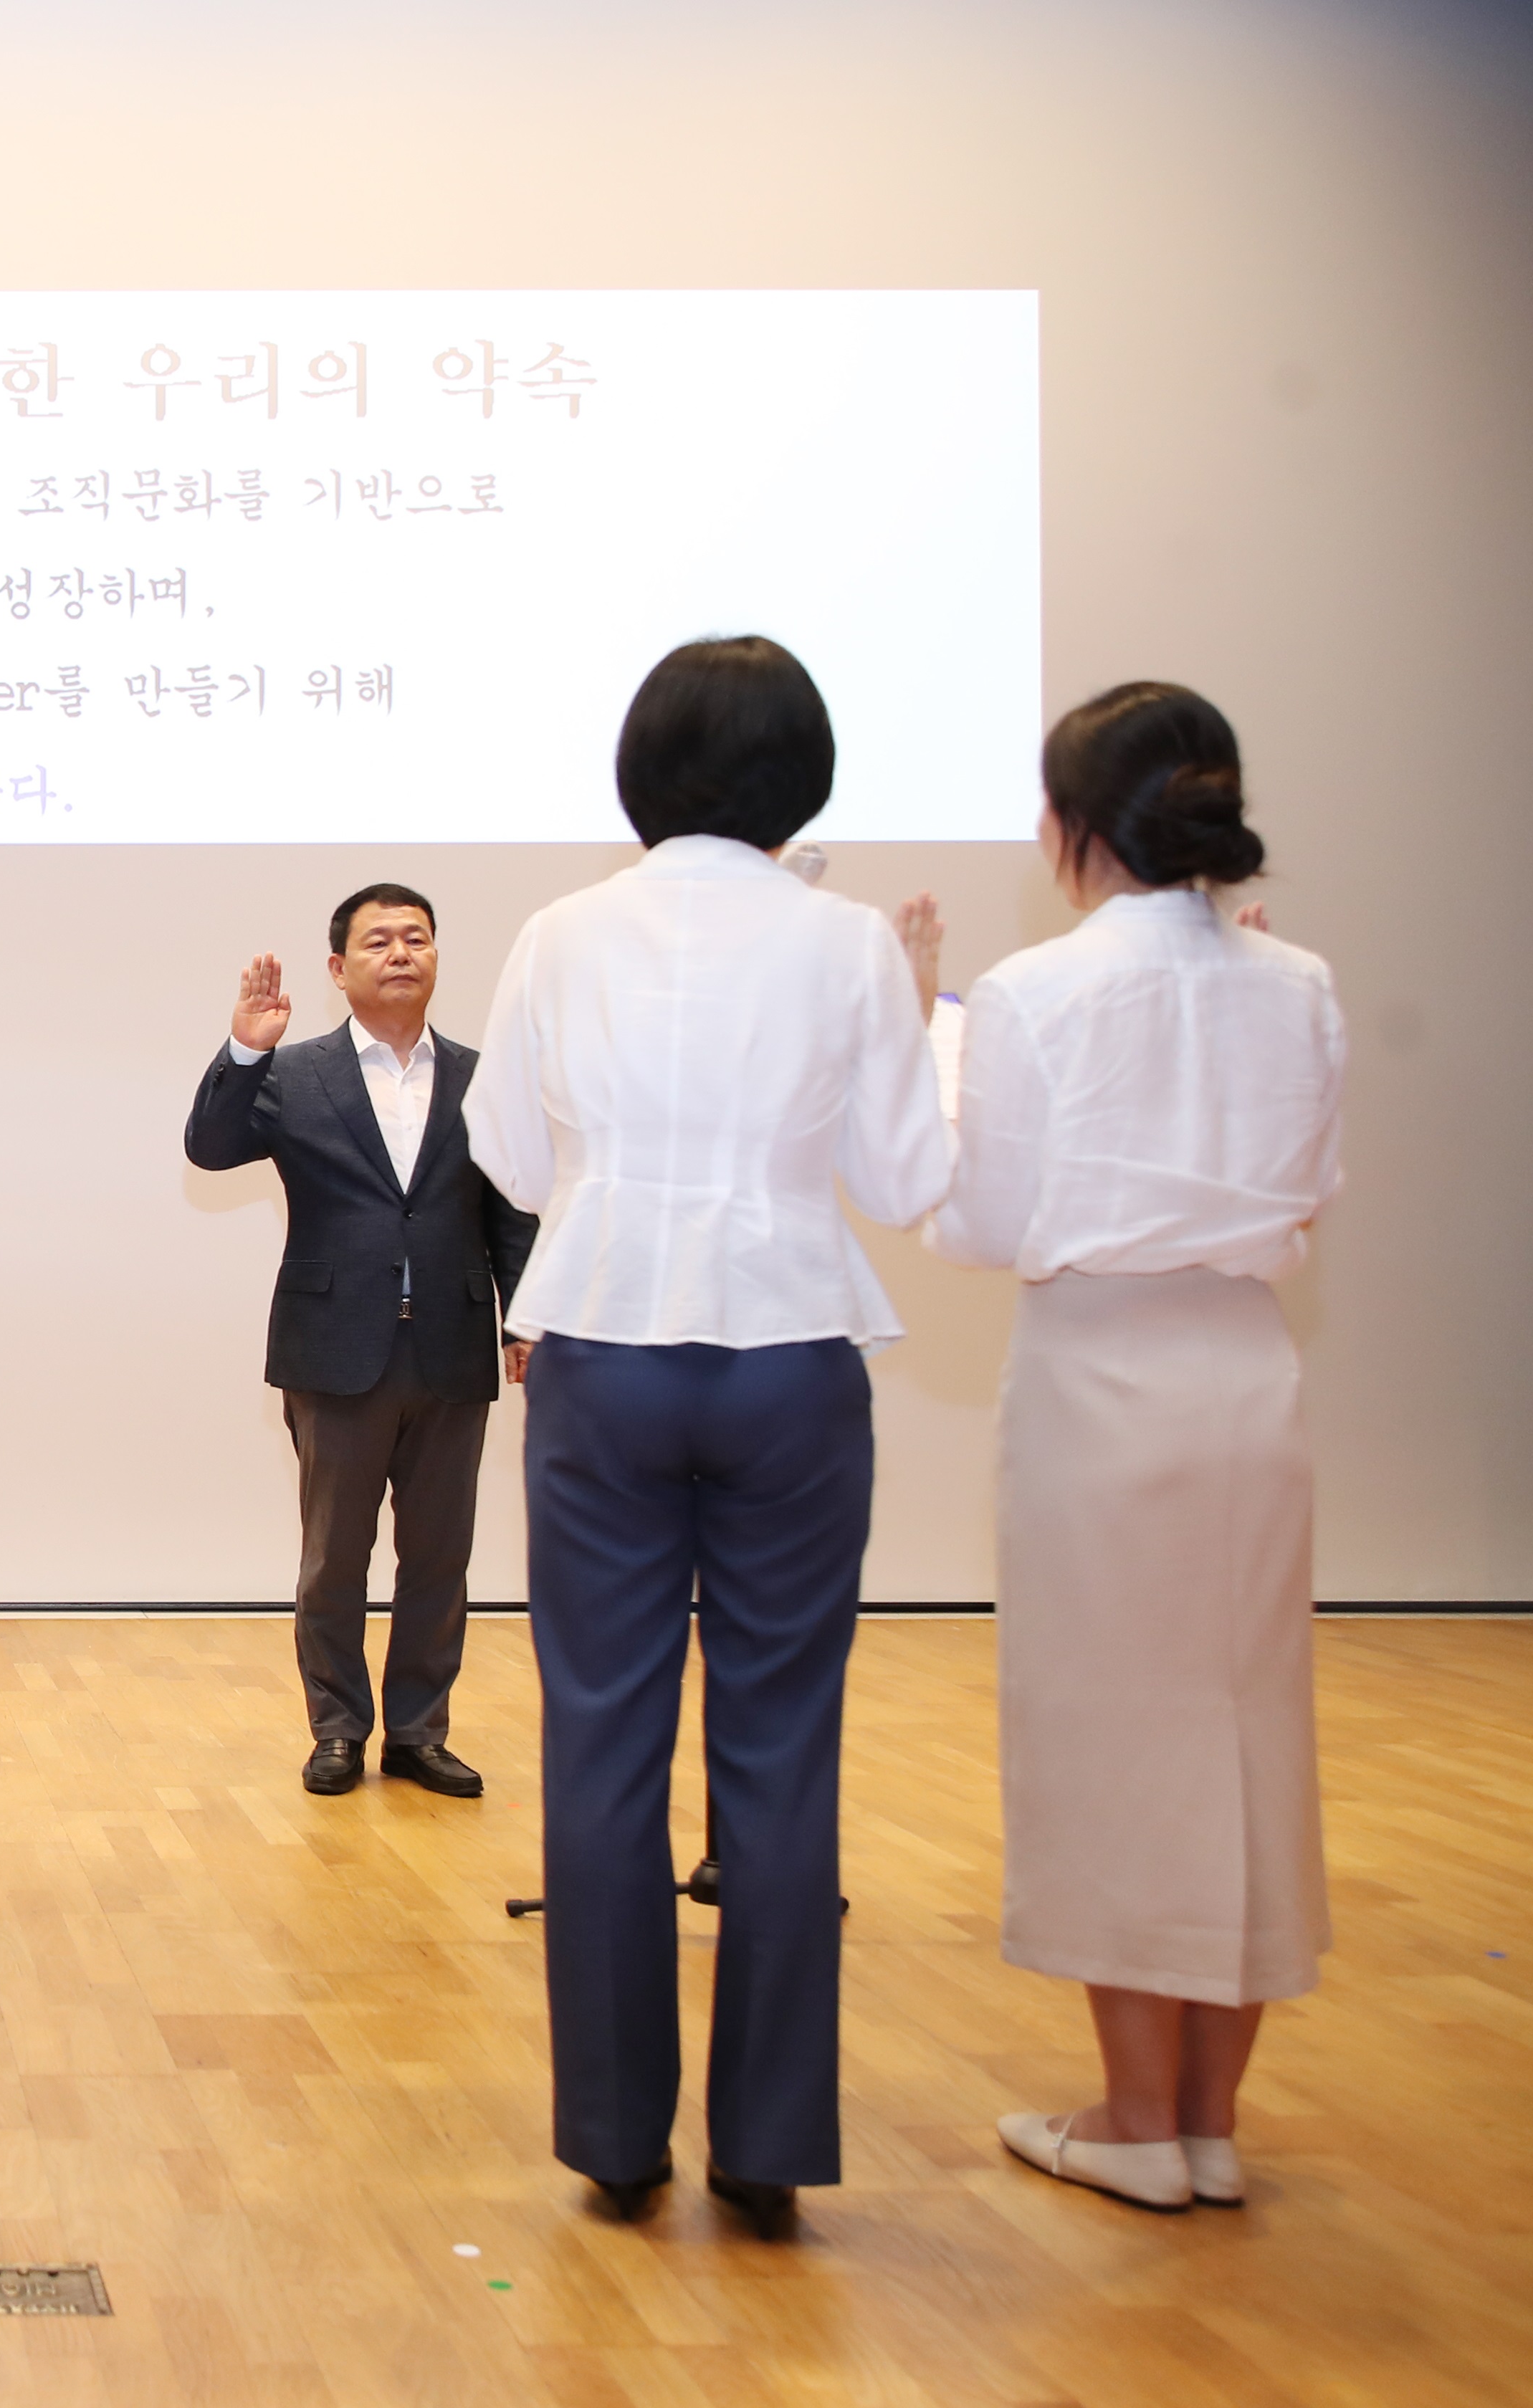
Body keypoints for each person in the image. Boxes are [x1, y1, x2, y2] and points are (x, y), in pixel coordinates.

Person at [462, 636, 950, 2238]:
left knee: (599, 1742)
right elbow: (898, 1179)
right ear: (799, 776)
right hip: (789, 1348)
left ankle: (611, 2136)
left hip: (600, 1344)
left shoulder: (557, 932)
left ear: (638, 766)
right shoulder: (850, 943)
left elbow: (515, 1165)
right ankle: (766, 2147)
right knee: (778, 1751)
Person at [922, 682, 1343, 2215]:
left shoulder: (1035, 993)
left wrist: (930, 1056)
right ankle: (1209, 2125)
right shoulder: (1295, 981)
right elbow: (1310, 1188)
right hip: (1243, 1373)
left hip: (1098, 1374)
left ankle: (1129, 2117)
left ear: (1068, 825)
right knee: (1242, 1732)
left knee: (1109, 1742)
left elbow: (976, 1223)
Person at [184, 884, 537, 1797]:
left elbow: (509, 1211)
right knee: (334, 1558)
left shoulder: (481, 1075)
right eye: (378, 941)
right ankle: (337, 1727)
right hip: (337, 1349)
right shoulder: (296, 1075)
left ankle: (418, 1732)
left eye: (416, 938)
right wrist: (243, 1053)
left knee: (438, 1560)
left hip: (452, 1349)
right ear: (339, 970)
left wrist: (527, 1317)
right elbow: (211, 1148)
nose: (401, 952)